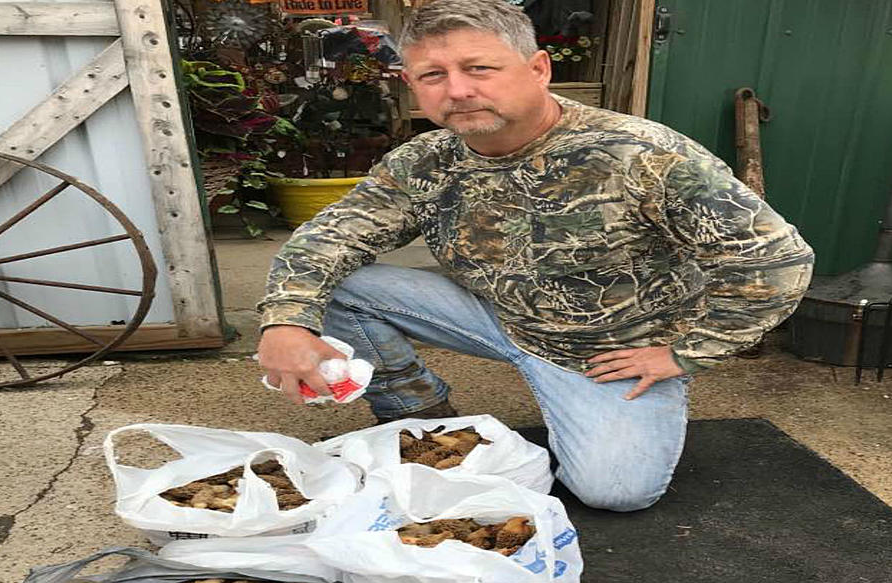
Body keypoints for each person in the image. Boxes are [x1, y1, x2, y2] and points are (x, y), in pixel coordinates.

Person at [257, 0, 814, 512]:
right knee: (337, 283)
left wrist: (686, 352)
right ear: (412, 86)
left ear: (538, 69)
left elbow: (776, 262)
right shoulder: (421, 161)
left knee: (617, 492)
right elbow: (328, 238)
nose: (457, 91)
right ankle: (416, 411)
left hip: (608, 352)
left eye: (480, 69)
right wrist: (284, 323)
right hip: (496, 315)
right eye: (434, 75)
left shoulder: (640, 154)